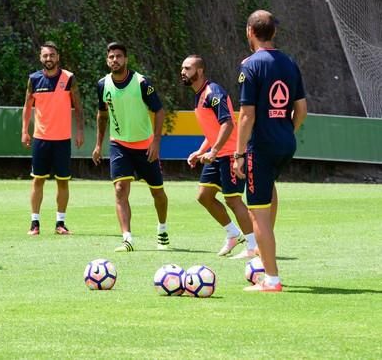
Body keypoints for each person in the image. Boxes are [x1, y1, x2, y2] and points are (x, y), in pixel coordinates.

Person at [233, 10, 307, 292]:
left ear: (250, 31)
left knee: (257, 213)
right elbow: (301, 110)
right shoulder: (289, 63)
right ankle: (266, 262)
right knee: (268, 194)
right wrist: (286, 131)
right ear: (273, 32)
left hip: (260, 147)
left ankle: (271, 279)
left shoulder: (250, 65)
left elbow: (246, 115)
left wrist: (239, 154)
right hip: (286, 143)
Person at [92, 42, 169, 252]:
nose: (114, 60)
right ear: (107, 60)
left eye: (118, 56)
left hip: (145, 146)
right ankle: (127, 238)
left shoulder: (142, 82)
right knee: (120, 189)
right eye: (111, 57)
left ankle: (162, 227)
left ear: (126, 59)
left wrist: (155, 142)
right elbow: (102, 114)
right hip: (119, 144)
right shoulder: (102, 84)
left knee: (158, 193)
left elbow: (159, 111)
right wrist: (98, 144)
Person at [181, 55, 257, 258]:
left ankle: (252, 247)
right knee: (204, 196)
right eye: (182, 68)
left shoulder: (213, 92)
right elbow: (212, 130)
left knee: (233, 200)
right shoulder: (198, 95)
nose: (183, 72)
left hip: (230, 153)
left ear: (199, 71)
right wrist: (200, 151)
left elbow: (227, 124)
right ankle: (233, 234)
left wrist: (213, 151)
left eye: (187, 68)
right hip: (217, 153)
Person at [21, 41, 84, 236]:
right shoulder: (33, 79)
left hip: (62, 139)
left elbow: (78, 107)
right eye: (45, 55)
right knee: (37, 180)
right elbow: (27, 107)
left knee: (62, 181)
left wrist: (80, 130)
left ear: (58, 57)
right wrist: (24, 130)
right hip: (41, 139)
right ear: (41, 58)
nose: (49, 59)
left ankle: (60, 223)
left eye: (52, 55)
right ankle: (34, 223)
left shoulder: (69, 78)